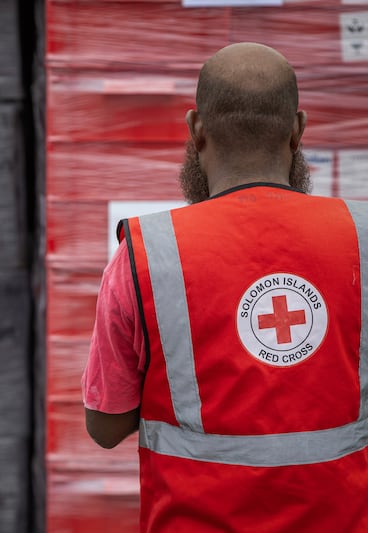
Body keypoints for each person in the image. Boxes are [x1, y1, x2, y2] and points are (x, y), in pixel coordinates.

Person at [82, 42, 368, 532]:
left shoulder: (146, 252)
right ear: (298, 131)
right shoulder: (360, 237)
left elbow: (105, 426)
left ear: (195, 130)